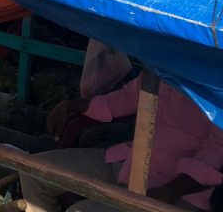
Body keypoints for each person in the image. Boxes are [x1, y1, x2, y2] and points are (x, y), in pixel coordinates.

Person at [20, 76, 223, 211]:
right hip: (129, 162)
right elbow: (126, 97)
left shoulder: (215, 83)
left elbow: (216, 152)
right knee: (32, 171)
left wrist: (169, 191)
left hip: (179, 193)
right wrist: (71, 105)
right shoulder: (162, 67)